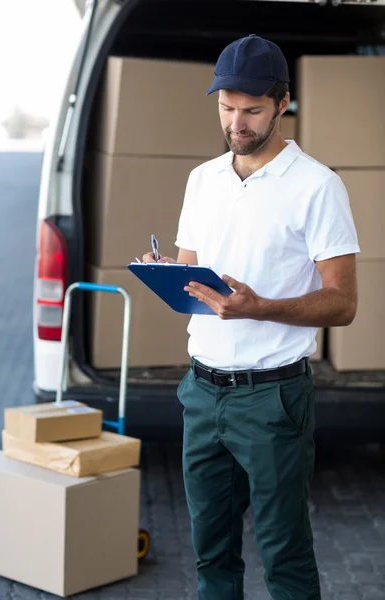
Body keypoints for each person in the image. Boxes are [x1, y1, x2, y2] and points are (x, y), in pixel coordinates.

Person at [143, 34, 360, 600]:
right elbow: (193, 274)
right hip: (200, 389)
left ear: (282, 103)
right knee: (211, 553)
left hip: (274, 399)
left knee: (284, 553)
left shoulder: (317, 186)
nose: (237, 123)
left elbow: (343, 302)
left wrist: (258, 307)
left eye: (252, 110)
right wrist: (165, 271)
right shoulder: (202, 180)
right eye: (227, 107)